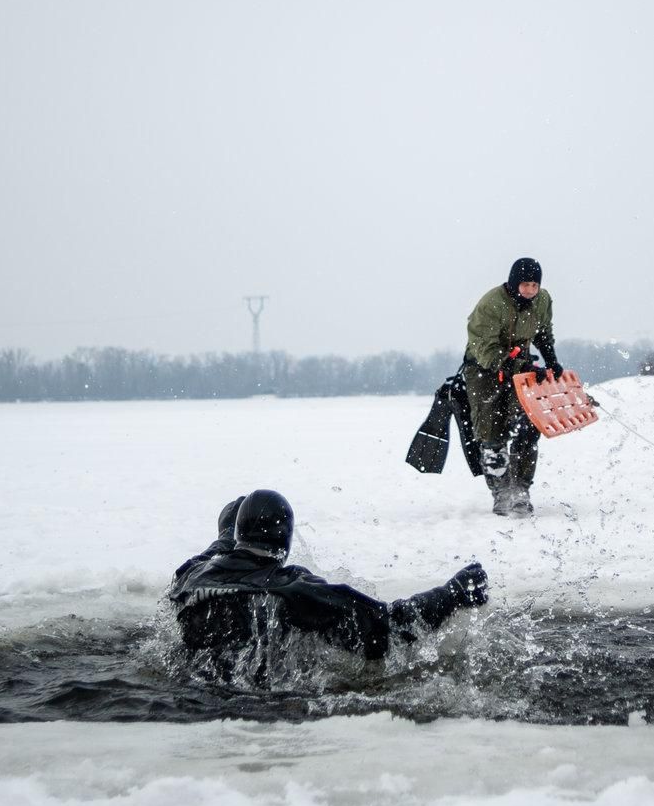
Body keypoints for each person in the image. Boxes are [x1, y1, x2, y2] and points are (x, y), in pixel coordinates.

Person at [170, 490, 489, 672]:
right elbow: (386, 628)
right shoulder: (292, 590)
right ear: (285, 540)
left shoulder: (191, 577)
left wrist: (236, 523)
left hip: (192, 682)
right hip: (262, 703)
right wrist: (453, 593)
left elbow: (220, 547)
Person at [462, 257, 562, 517]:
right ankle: (502, 493)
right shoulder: (491, 305)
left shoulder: (542, 300)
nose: (530, 290)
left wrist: (552, 361)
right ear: (513, 282)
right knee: (492, 433)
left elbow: (542, 333)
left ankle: (520, 490)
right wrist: (521, 368)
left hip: (521, 367)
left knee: (528, 426)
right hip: (484, 370)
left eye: (534, 285)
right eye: (525, 284)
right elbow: (487, 351)